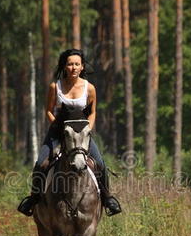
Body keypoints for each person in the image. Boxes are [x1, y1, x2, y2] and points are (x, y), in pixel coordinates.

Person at [17, 48, 122, 217]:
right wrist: (60, 126)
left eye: (77, 64)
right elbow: (49, 111)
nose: (73, 67)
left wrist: (88, 129)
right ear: (65, 66)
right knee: (40, 164)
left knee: (100, 164)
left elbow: (93, 111)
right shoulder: (55, 86)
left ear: (82, 67)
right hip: (58, 133)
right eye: (70, 64)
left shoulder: (90, 88)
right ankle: (33, 198)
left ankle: (107, 198)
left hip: (81, 135)